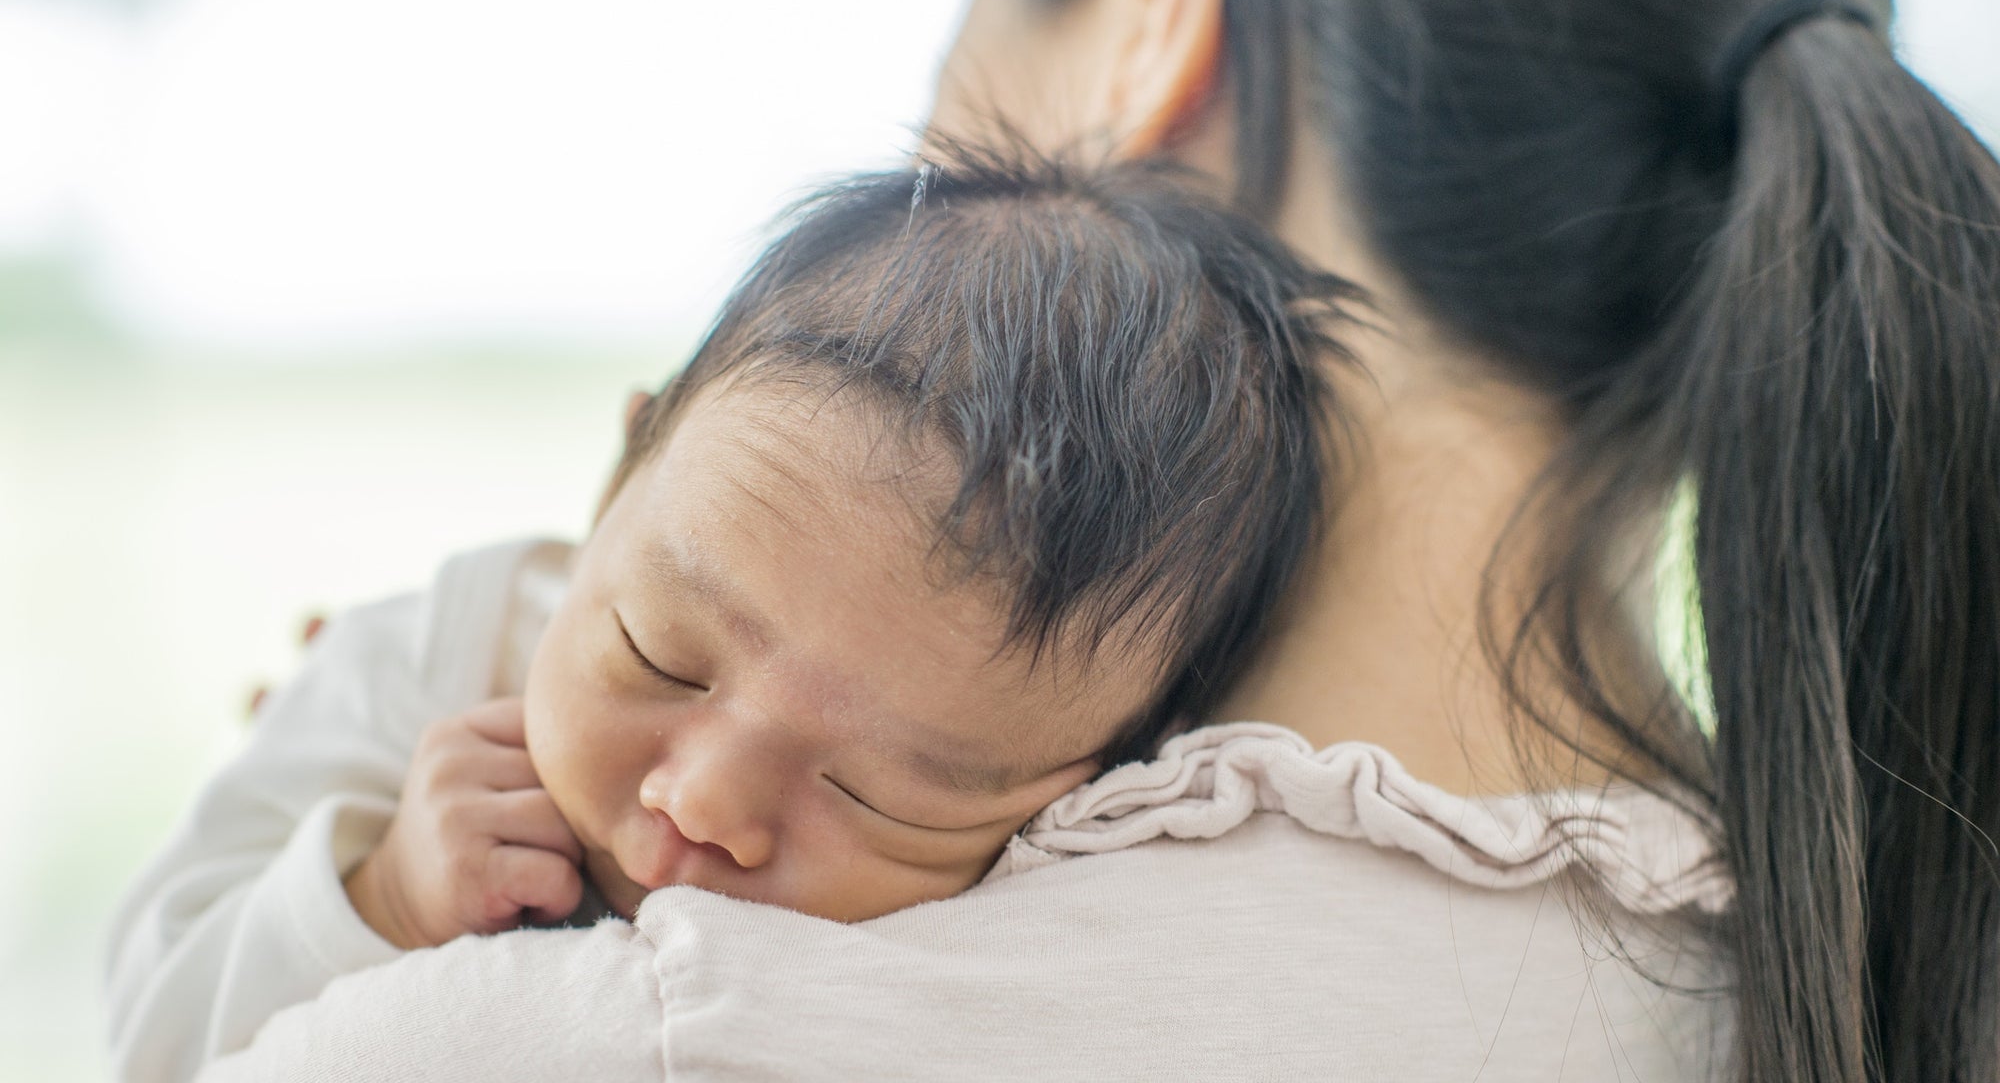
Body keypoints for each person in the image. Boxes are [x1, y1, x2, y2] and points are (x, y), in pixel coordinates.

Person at [169, 0, 2000, 1078]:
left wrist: (337, 904)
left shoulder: (617, 1035)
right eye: (660, 643)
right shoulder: (1868, 960)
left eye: (914, 782)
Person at [105, 151, 1359, 1080]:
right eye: (660, 655)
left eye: (881, 793)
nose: (701, 804)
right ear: (616, 482)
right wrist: (375, 899)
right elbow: (148, 1031)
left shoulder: (1096, 887)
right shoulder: (436, 651)